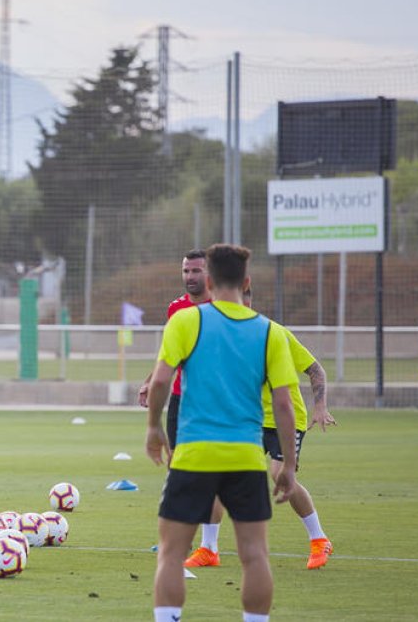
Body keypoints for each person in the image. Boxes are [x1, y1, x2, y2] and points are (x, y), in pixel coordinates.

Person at [145, 243, 299, 622]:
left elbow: (162, 380)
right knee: (254, 555)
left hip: (194, 454)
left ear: (209, 281)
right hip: (246, 457)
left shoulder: (186, 321)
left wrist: (153, 427)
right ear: (246, 282)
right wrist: (290, 465)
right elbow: (283, 404)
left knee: (171, 553)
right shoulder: (270, 333)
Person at [185, 286, 337, 571]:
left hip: (285, 417)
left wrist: (320, 407)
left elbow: (315, 369)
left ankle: (319, 540)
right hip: (247, 418)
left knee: (281, 476)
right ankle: (209, 549)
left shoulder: (274, 333)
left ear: (247, 302)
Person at [138, 249, 211, 447]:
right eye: (186, 271)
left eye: (196, 271)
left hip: (212, 398)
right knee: (175, 461)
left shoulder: (222, 306)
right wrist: (149, 381)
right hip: (181, 397)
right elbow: (171, 355)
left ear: (209, 273)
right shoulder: (176, 308)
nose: (190, 276)